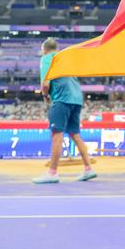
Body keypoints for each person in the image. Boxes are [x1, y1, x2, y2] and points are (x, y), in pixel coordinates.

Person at [32, 38, 96, 183]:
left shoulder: (46, 58)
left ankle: (52, 173)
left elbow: (45, 84)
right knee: (75, 134)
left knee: (57, 135)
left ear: (44, 50)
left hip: (62, 99)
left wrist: (45, 96)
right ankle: (88, 169)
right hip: (76, 98)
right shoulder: (65, 57)